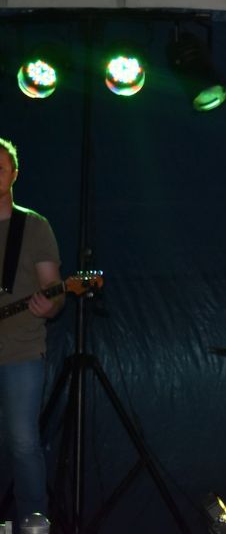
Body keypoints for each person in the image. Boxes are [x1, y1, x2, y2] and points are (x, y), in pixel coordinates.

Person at [0, 138, 64, 525]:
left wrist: (51, 303)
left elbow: (54, 291)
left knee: (23, 442)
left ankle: (32, 524)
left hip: (21, 351)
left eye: (1, 167)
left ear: (15, 174)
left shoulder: (34, 225)